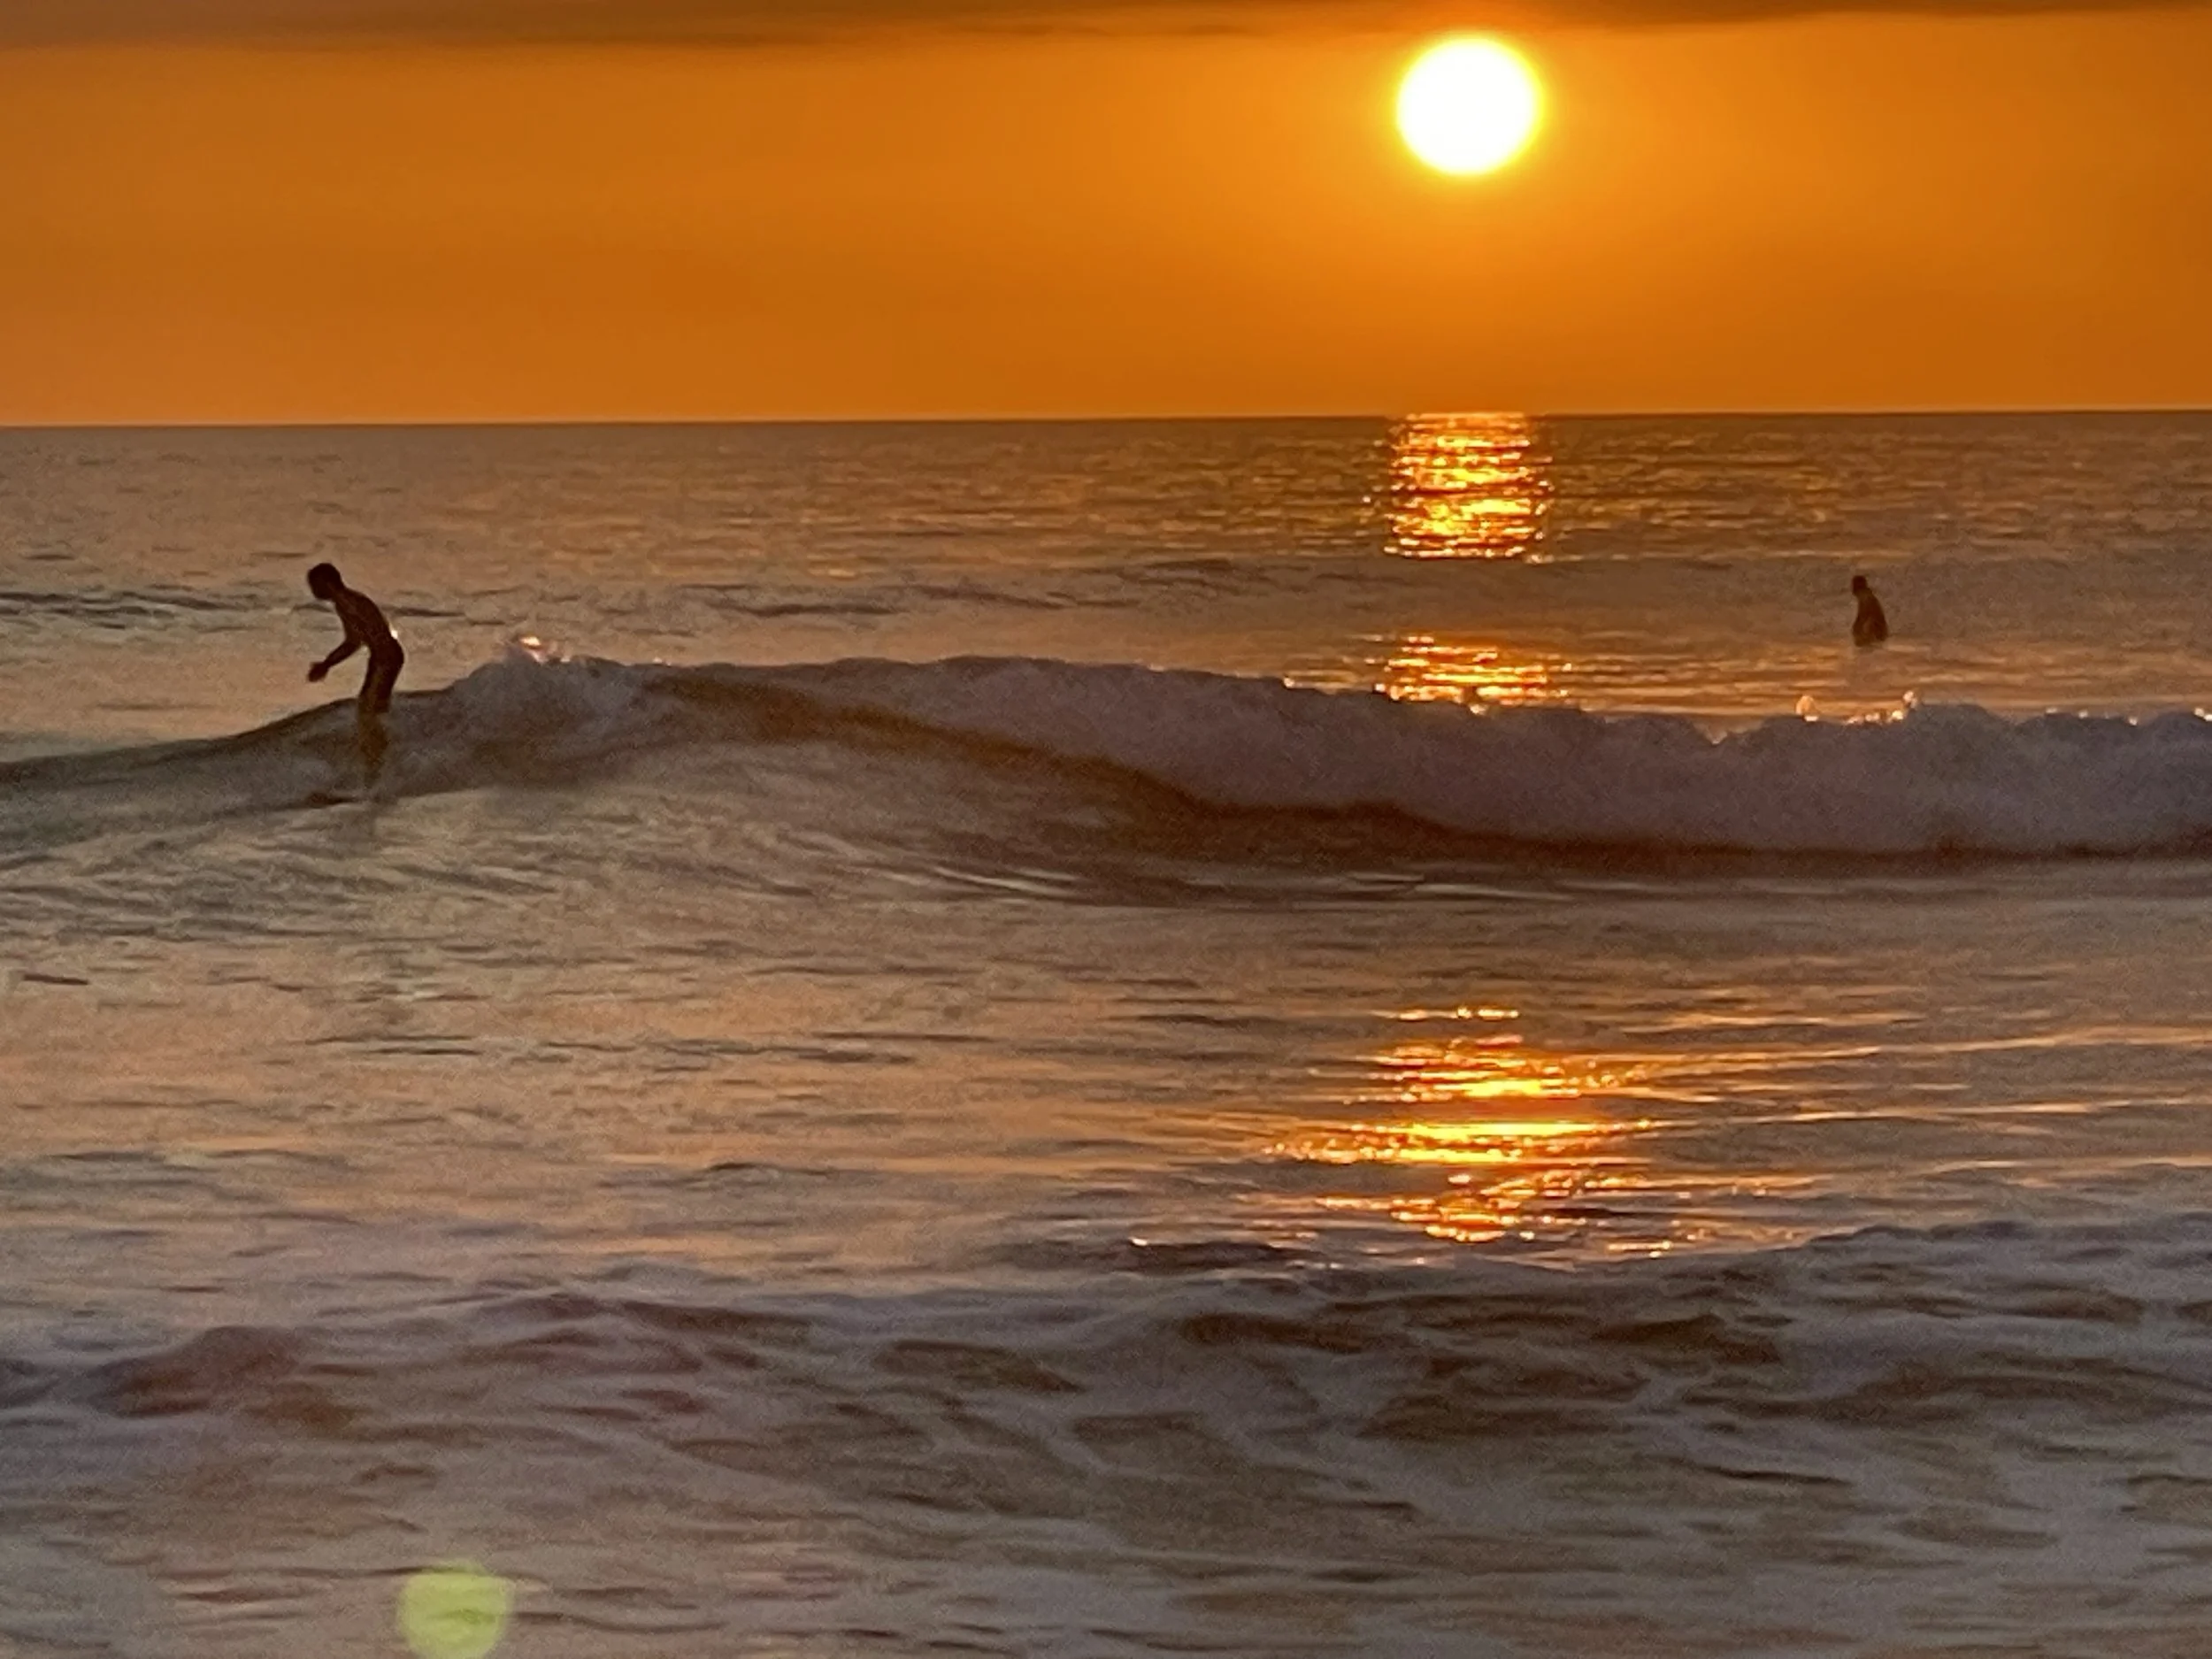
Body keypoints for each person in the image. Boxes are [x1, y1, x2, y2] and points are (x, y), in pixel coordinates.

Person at [306, 562, 403, 784]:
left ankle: (379, 767)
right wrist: (327, 664)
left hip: (386, 658)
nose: (312, 590)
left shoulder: (351, 603)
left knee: (368, 712)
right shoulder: (344, 604)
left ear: (328, 584)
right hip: (381, 658)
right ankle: (377, 762)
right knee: (367, 710)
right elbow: (353, 642)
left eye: (315, 584)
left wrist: (383, 664)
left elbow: (373, 635)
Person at [1850, 573, 1889, 648]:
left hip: (1874, 631)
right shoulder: (1865, 596)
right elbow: (1862, 615)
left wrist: (1863, 629)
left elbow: (1871, 615)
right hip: (1876, 631)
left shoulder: (1865, 597)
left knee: (1868, 648)